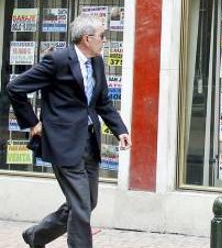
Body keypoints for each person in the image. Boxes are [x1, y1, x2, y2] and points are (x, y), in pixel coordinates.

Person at [7, 15, 132, 248]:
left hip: (89, 142)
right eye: (102, 36)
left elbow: (102, 102)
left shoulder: (97, 62)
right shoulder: (57, 60)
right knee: (81, 205)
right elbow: (15, 88)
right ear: (87, 38)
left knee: (88, 201)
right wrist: (33, 122)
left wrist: (120, 130)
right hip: (62, 142)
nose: (105, 40)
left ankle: (37, 235)